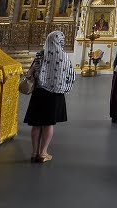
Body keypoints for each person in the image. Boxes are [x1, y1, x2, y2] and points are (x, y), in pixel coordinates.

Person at [24, 30, 75, 163]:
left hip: (39, 93)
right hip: (55, 94)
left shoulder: (41, 54)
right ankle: (43, 153)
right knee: (48, 124)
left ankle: (34, 152)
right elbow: (70, 76)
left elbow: (31, 72)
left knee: (36, 124)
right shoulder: (64, 56)